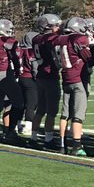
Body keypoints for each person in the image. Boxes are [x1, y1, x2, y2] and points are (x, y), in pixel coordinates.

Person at [57, 16, 92, 156]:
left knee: (65, 114)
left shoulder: (59, 39)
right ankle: (77, 145)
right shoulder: (79, 39)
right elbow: (88, 57)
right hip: (77, 79)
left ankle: (62, 144)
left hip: (65, 78)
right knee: (78, 114)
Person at [31, 13, 63, 146]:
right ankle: (48, 138)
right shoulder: (52, 39)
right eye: (56, 25)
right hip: (51, 75)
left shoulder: (36, 38)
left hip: (40, 75)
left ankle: (33, 137)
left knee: (40, 109)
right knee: (51, 111)